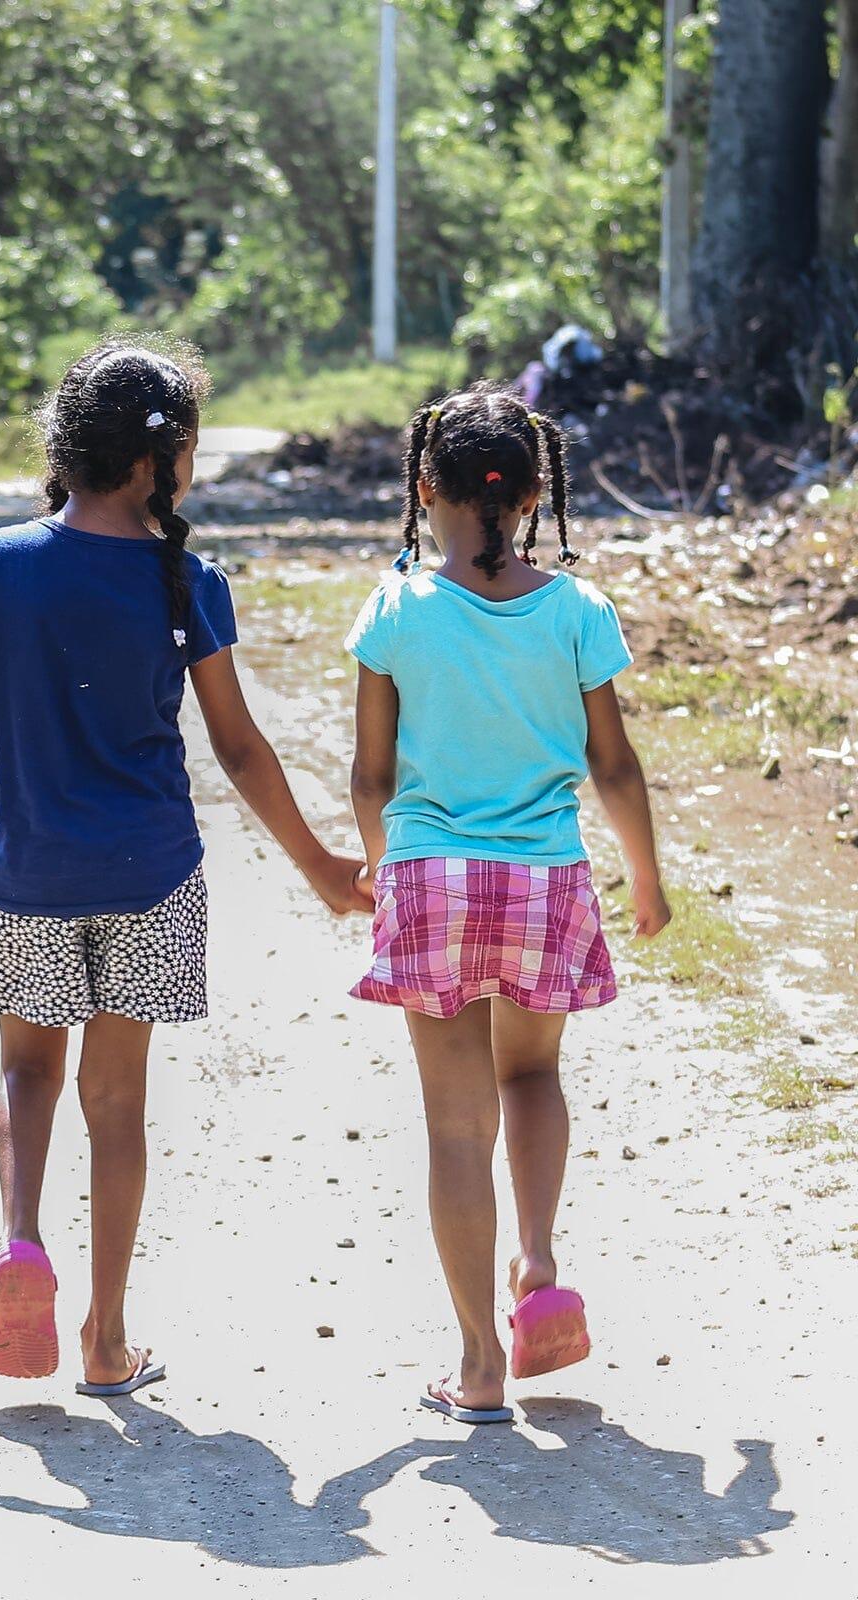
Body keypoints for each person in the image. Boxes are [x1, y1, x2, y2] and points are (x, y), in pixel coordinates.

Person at [0, 340, 368, 1397]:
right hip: (152, 876)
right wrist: (317, 861)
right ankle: (105, 1338)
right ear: (162, 459)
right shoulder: (189, 577)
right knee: (117, 1103)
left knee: (24, 1072)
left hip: (28, 870)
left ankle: (18, 1240)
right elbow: (236, 747)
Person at [346, 382, 670, 1425]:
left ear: (424, 491)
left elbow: (369, 775)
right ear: (536, 494)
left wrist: (375, 863)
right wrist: (647, 879)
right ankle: (538, 1263)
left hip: (432, 874)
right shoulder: (577, 610)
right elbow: (614, 768)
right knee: (531, 1074)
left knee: (453, 1125)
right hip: (543, 876)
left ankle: (480, 1364)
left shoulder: (395, 606)